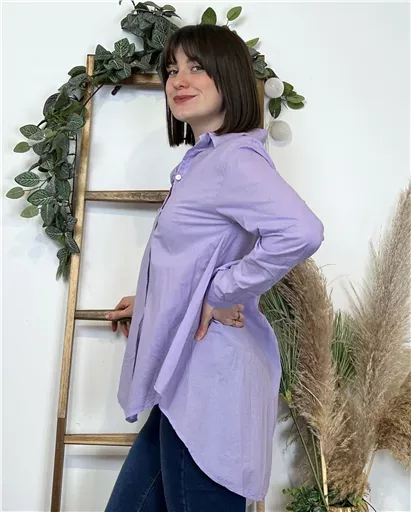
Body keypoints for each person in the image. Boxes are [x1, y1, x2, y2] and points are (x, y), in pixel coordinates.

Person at [104, 23, 324, 512]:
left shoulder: (234, 160)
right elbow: (200, 254)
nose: (179, 80)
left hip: (210, 383)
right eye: (171, 70)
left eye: (197, 67)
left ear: (229, 77)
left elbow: (302, 231)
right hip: (183, 378)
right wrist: (154, 302)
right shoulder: (203, 161)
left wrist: (220, 292)